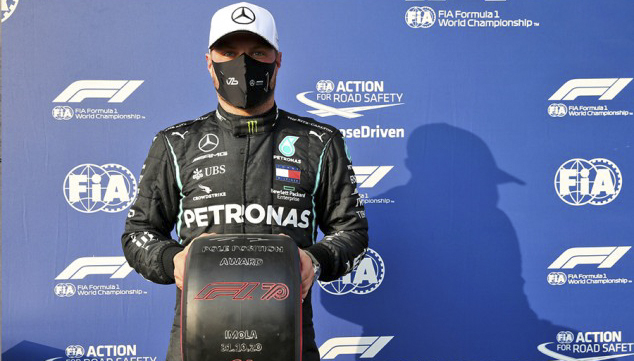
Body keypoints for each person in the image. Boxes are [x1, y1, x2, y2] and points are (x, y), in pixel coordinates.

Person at [121, 2, 369, 361]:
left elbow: (352, 232)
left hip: (289, 337)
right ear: (209, 62)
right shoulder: (175, 143)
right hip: (195, 338)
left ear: (277, 60)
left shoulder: (320, 141)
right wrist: (172, 260)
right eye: (229, 52)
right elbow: (137, 233)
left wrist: (312, 262)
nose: (242, 63)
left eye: (256, 52)